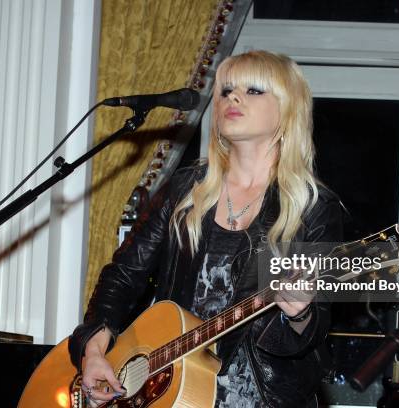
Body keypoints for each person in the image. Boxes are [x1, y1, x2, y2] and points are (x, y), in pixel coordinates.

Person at [69, 50, 343, 407]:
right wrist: (93, 347)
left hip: (260, 397)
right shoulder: (185, 189)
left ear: (288, 109)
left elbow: (312, 330)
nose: (233, 97)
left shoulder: (313, 209)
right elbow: (123, 275)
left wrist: (302, 313)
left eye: (254, 90)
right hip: (170, 391)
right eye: (226, 90)